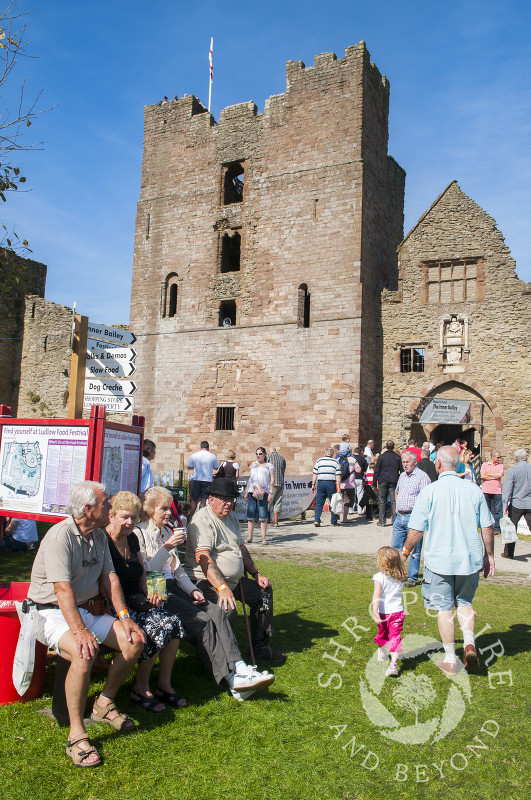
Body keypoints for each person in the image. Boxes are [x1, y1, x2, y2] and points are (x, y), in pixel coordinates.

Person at [28, 481, 146, 768]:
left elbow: (110, 579)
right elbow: (62, 590)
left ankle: (103, 703)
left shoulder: (99, 535)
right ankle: (76, 736)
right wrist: (80, 631)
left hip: (85, 609)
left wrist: (124, 617)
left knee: (135, 642)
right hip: (50, 611)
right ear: (87, 508)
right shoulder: (60, 537)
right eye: (105, 503)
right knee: (83, 653)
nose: (109, 506)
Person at [137, 485, 273, 698]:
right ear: (149, 510)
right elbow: (146, 571)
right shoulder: (140, 533)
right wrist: (167, 548)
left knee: (216, 612)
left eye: (168, 508)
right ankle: (232, 679)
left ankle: (240, 666)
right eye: (163, 509)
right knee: (203, 619)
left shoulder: (166, 531)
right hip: (157, 591)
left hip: (178, 587)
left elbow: (178, 571)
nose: (169, 513)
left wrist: (192, 591)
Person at [401, 446, 495, 675]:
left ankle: (452, 658)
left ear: (439, 464)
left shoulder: (430, 491)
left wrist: (404, 553)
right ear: (458, 465)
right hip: (468, 558)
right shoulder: (474, 490)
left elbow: (416, 529)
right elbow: (488, 526)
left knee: (443, 608)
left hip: (439, 561)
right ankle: (470, 643)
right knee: (464, 602)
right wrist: (489, 555)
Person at [184, 477, 285, 664]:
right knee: (227, 609)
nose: (229, 503)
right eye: (224, 499)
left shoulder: (230, 517)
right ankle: (216, 658)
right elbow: (203, 558)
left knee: (263, 592)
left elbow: (241, 548)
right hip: (205, 582)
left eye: (231, 499)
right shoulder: (201, 520)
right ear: (211, 499)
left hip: (233, 581)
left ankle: (260, 646)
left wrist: (256, 574)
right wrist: (222, 587)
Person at [106, 492, 186, 711]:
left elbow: (143, 572)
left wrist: (151, 591)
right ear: (111, 516)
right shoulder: (104, 540)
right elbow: (108, 583)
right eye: (124, 517)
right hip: (115, 604)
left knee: (173, 622)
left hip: (136, 599)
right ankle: (140, 688)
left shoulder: (131, 538)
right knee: (155, 626)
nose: (130, 522)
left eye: (133, 517)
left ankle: (164, 684)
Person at [391, 451, 431, 587]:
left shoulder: (422, 477)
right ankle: (394, 572)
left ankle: (412, 577)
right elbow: (397, 491)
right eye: (403, 462)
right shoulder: (402, 476)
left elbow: (426, 497)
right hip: (400, 516)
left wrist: (421, 516)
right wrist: (397, 507)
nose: (405, 465)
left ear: (415, 462)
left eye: (407, 462)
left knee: (414, 549)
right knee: (395, 547)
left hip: (414, 517)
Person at [371, 546, 407, 677]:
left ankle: (385, 655)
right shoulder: (400, 577)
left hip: (383, 612)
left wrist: (375, 612)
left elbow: (377, 595)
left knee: (383, 634)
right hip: (397, 612)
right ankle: (392, 663)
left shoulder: (379, 577)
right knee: (394, 637)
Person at [501, 449, 531, 559]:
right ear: (526, 457)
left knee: (511, 528)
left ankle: (509, 553)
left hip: (517, 503)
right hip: (529, 503)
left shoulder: (513, 470)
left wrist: (504, 505)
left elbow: (507, 489)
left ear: (515, 458)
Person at [244, 447, 274, 544]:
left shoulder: (269, 466)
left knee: (263, 515)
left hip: (263, 492)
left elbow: (272, 480)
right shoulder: (253, 465)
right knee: (250, 515)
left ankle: (264, 538)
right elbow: (250, 478)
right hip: (252, 491)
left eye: (260, 454)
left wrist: (270, 492)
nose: (258, 455)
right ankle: (250, 537)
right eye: (256, 453)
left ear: (264, 455)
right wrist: (246, 491)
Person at [373, 440, 402, 527]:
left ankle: (382, 521)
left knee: (382, 501)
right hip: (394, 480)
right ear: (393, 447)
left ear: (386, 447)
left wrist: (374, 483)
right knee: (393, 501)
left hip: (383, 480)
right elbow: (402, 470)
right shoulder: (397, 457)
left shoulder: (381, 457)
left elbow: (377, 470)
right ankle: (395, 520)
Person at [311, 447, 342, 527]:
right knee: (333, 501)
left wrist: (313, 484)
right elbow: (338, 475)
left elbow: (315, 473)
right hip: (330, 483)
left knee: (319, 502)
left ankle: (317, 520)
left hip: (321, 482)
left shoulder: (319, 460)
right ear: (332, 454)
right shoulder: (335, 462)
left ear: (325, 453)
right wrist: (338, 487)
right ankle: (333, 521)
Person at [187, 441, 219, 515]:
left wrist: (196, 466)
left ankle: (191, 517)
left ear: (200, 447)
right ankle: (201, 517)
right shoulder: (212, 456)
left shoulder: (194, 455)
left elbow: (189, 466)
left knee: (194, 500)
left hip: (197, 478)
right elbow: (216, 467)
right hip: (207, 479)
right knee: (203, 500)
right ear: (208, 448)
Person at [480, 451, 504, 533]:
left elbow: (500, 475)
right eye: (498, 457)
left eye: (499, 457)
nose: (499, 459)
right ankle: (487, 527)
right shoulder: (484, 465)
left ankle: (497, 528)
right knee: (486, 510)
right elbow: (482, 476)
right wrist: (495, 476)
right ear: (492, 457)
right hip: (486, 490)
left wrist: (489, 474)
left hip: (497, 491)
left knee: (498, 511)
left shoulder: (500, 465)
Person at [338, 442, 358, 524]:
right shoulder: (353, 460)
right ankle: (344, 518)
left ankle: (336, 517)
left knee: (338, 501)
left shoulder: (338, 460)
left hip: (339, 484)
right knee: (347, 501)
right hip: (349, 484)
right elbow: (358, 470)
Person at [267, 445, 287, 527]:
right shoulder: (282, 458)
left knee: (268, 501)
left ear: (269, 451)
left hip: (271, 483)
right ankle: (275, 521)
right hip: (281, 482)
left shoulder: (268, 457)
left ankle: (263, 520)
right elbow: (284, 468)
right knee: (278, 502)